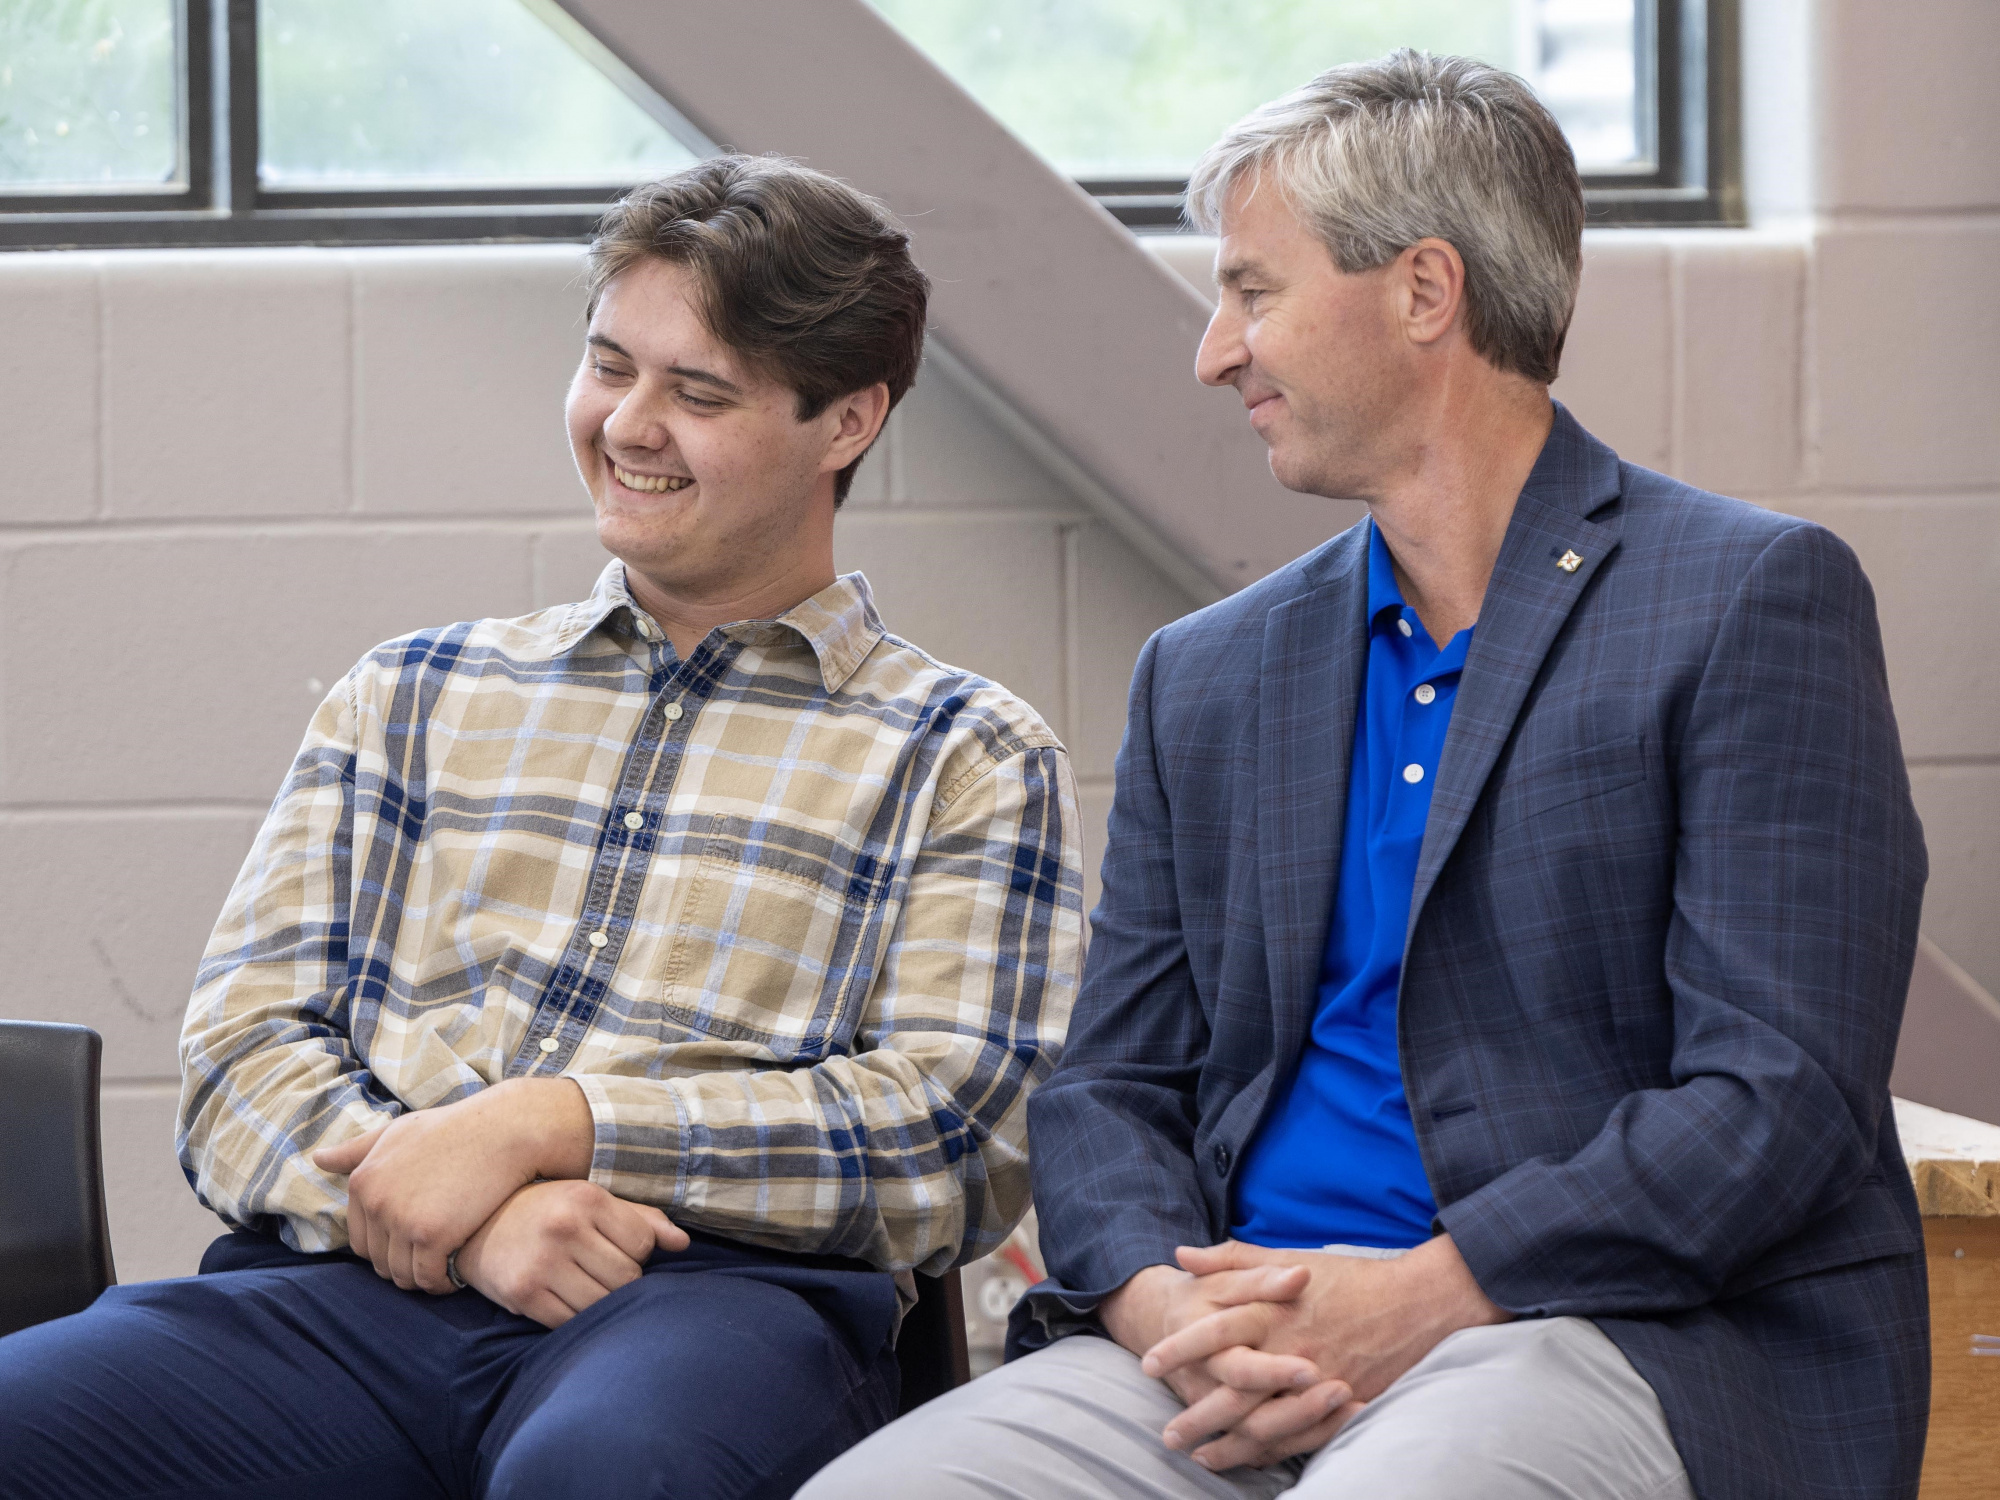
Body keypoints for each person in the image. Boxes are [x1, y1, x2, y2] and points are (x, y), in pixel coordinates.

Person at [802, 50, 1927, 1500]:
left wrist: (1423, 1298)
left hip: (1601, 1332)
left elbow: (1781, 1100)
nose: (1216, 353)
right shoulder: (1209, 672)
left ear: (1423, 291)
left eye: (1253, 292)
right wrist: (1167, 1308)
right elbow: (1109, 1091)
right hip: (1226, 1339)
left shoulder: (1749, 598)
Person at [0, 155, 1084, 1500]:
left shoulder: (965, 753)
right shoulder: (415, 691)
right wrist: (476, 1221)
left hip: (710, 1307)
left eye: (699, 392)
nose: (629, 424)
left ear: (846, 419)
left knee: (608, 1475)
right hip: (347, 1286)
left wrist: (556, 1124)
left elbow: (957, 1141)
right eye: (608, 365)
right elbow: (241, 1053)